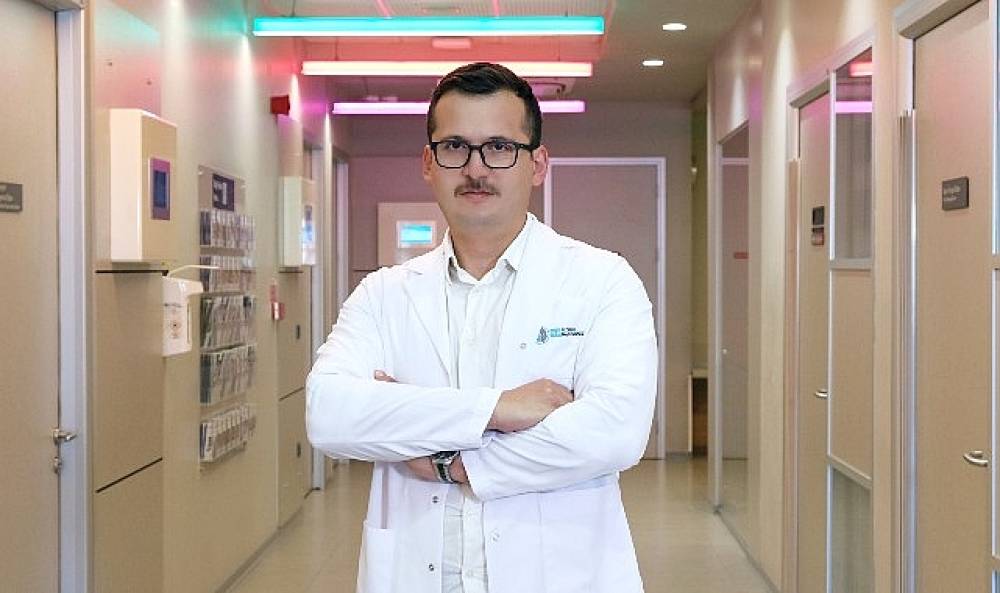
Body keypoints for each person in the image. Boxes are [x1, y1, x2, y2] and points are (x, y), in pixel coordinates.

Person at [306, 62, 657, 593]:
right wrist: (497, 409)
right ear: (429, 163)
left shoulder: (603, 280)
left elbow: (614, 432)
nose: (476, 168)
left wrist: (448, 461)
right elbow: (329, 415)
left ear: (537, 163)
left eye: (499, 147)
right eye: (455, 147)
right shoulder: (383, 294)